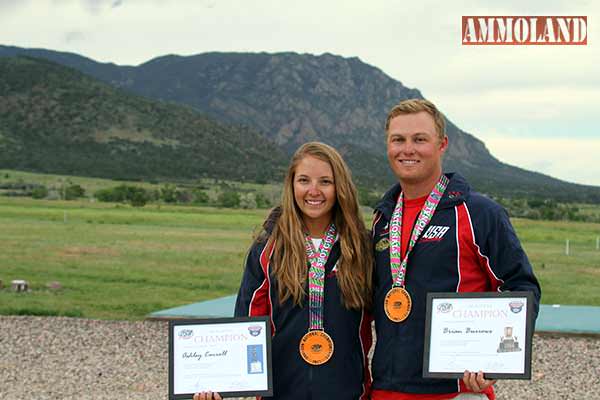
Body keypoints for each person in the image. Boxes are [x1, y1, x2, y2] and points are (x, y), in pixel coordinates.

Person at [370, 99, 541, 400]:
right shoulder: (383, 217)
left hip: (457, 391)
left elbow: (520, 287)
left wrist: (494, 362)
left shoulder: (479, 213)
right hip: (387, 388)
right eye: (398, 139)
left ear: (442, 144)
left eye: (419, 139)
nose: (407, 149)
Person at [194, 142, 373, 400]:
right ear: (291, 185)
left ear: (340, 187)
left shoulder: (361, 248)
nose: (314, 191)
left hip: (348, 393)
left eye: (325, 181)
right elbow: (245, 325)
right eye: (304, 180)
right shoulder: (268, 249)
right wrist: (217, 382)